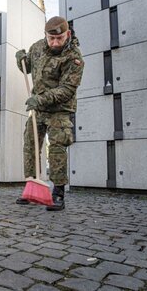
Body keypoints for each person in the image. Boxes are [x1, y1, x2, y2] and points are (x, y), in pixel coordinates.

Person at [15, 16, 84, 211]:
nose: (54, 43)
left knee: (56, 149)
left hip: (59, 110)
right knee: (30, 145)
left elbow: (67, 90)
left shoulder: (74, 58)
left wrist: (40, 98)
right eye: (50, 38)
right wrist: (20, 59)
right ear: (45, 35)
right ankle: (31, 188)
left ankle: (58, 193)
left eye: (59, 38)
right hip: (38, 109)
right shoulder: (37, 47)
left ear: (67, 34)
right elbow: (27, 67)